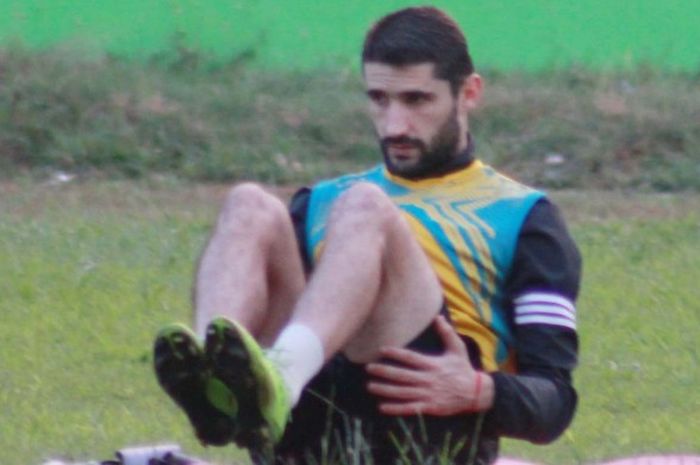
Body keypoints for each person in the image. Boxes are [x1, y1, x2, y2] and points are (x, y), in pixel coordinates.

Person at [153, 6, 581, 465]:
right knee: (248, 205)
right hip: (307, 421)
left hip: (425, 427)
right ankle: (214, 391)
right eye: (379, 99)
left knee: (365, 206)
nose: (395, 125)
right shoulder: (316, 203)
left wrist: (481, 390)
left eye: (417, 101)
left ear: (468, 93)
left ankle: (281, 379)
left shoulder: (525, 216)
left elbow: (554, 400)